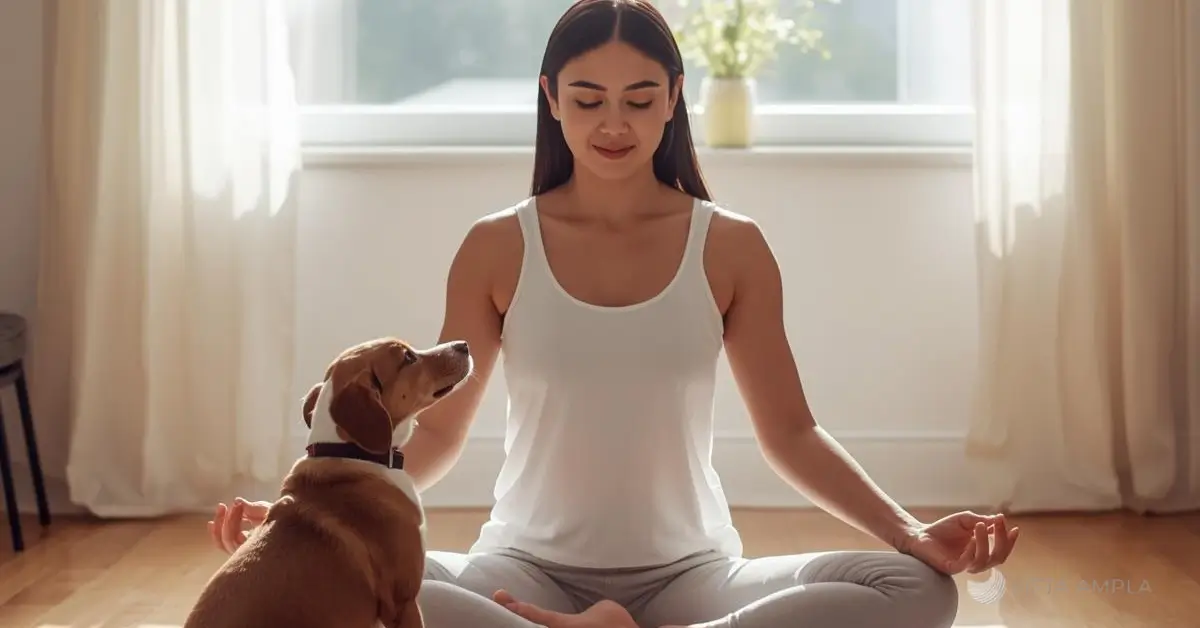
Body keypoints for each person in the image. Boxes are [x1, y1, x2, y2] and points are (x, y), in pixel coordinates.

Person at [209, 1, 1019, 626]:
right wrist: (302, 518)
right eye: (588, 98)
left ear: (673, 99)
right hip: (520, 571)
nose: (613, 123)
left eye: (639, 99)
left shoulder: (731, 246)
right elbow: (442, 434)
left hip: (694, 576)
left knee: (915, 589)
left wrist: (911, 533)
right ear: (551, 98)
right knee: (388, 589)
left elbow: (791, 434)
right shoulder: (497, 246)